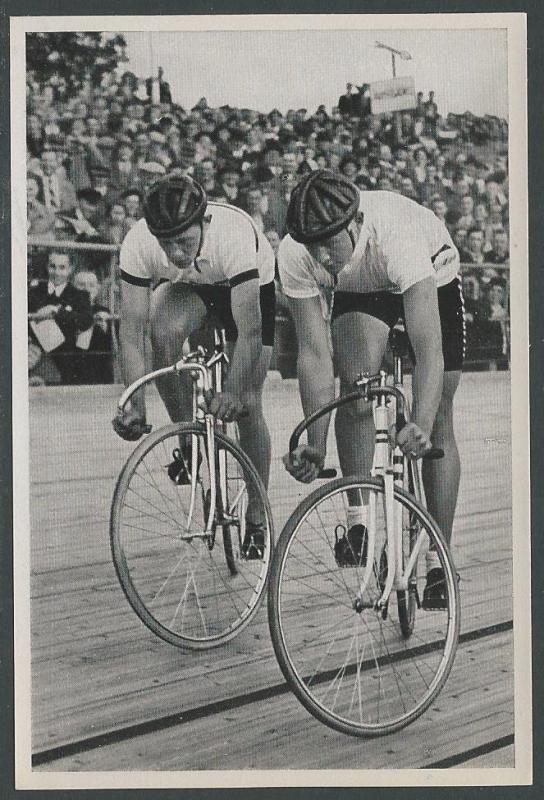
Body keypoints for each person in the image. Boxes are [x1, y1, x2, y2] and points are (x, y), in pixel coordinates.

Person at [278, 170, 464, 608]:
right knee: (356, 385)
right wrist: (315, 444)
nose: (322, 255)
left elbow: (429, 353)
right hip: (361, 284)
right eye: (312, 245)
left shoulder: (395, 238)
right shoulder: (295, 253)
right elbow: (314, 355)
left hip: (428, 271)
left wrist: (417, 424)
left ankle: (439, 557)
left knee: (438, 416)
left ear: (355, 223)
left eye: (329, 242)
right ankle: (359, 518)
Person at [113, 173, 276, 558]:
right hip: (191, 288)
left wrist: (234, 391)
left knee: (248, 406)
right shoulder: (137, 242)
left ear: (204, 223)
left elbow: (251, 332)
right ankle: (188, 440)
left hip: (247, 288)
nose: (175, 253)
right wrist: (134, 400)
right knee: (162, 333)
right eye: (166, 243)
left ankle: (256, 512)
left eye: (184, 241)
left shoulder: (233, 234)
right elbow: (132, 331)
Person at [28, 251, 93, 384]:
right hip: (32, 354)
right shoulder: (34, 291)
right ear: (47, 267)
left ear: (70, 270)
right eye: (53, 266)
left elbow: (86, 321)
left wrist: (57, 311)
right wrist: (36, 316)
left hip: (62, 360)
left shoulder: (79, 295)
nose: (57, 272)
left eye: (62, 267)